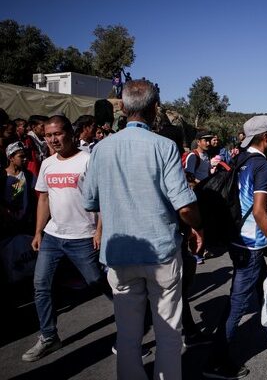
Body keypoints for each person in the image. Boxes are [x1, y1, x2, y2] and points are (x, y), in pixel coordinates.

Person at [83, 80, 203, 379]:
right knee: (167, 332)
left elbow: (89, 200)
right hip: (160, 251)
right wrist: (198, 227)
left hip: (119, 253)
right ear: (153, 109)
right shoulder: (163, 147)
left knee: (127, 333)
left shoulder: (101, 149)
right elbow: (185, 206)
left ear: (122, 107)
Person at [202, 115, 267, 380]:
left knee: (260, 286)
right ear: (266, 136)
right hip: (251, 244)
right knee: (237, 302)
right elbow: (259, 211)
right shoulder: (262, 167)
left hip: (236, 238)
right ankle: (216, 360)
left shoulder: (239, 160)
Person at [21, 115, 104, 362]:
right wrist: (38, 232)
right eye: (48, 135)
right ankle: (49, 337)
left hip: (83, 237)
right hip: (53, 236)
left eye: (57, 133)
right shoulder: (47, 164)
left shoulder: (88, 161)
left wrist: (99, 230)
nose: (53, 139)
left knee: (98, 282)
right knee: (41, 286)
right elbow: (44, 199)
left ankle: (133, 325)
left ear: (70, 133)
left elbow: (101, 199)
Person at [1, 141, 35, 236]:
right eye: (21, 156)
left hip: (25, 223)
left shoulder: (28, 176)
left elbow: (32, 197)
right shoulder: (3, 175)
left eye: (25, 156)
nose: (25, 159)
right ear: (11, 158)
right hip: (6, 224)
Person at [24, 115, 49, 180]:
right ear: (34, 127)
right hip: (32, 176)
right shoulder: (28, 141)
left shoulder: (46, 140)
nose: (46, 128)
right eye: (42, 126)